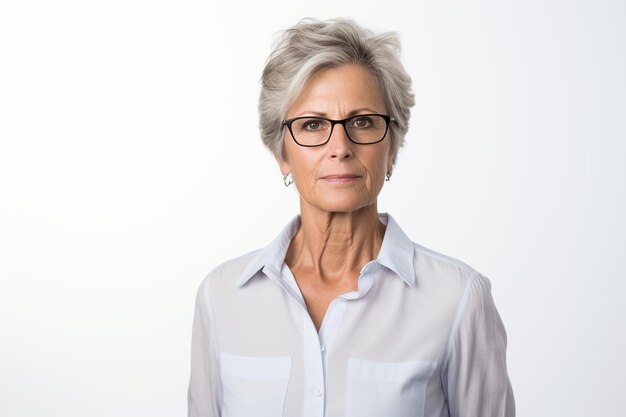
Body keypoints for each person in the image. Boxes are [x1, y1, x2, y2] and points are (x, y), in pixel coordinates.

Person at [188, 18, 515, 417]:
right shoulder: (222, 297)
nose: (340, 147)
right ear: (281, 153)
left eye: (362, 122)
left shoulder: (458, 299)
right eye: (312, 125)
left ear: (392, 147)